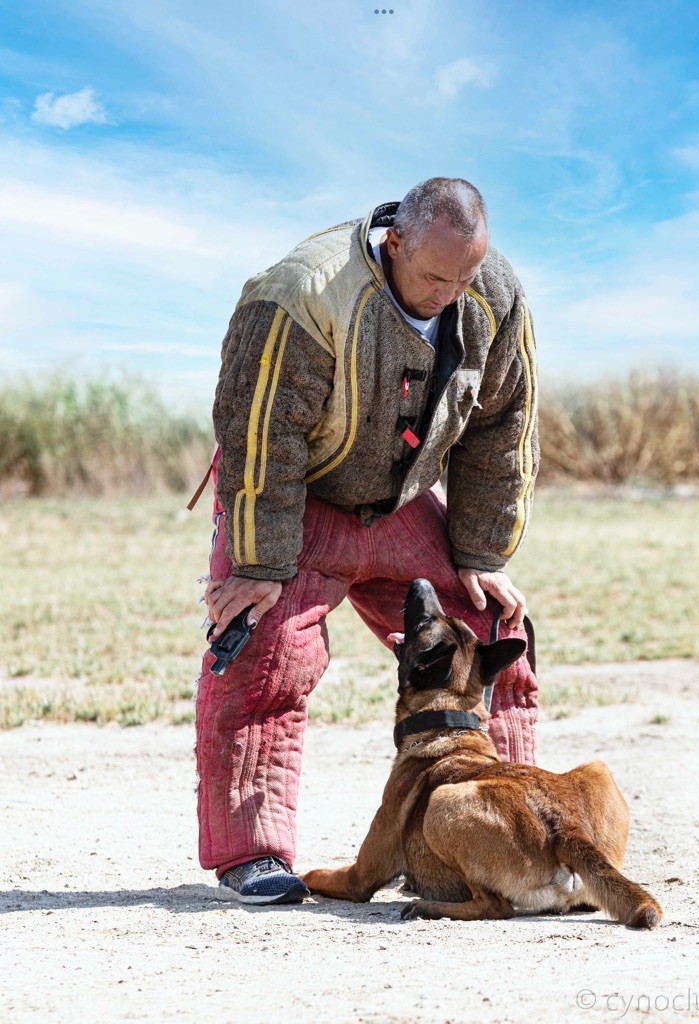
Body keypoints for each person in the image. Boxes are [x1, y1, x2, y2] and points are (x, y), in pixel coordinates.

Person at [197, 177, 540, 905]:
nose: (451, 293)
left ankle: (506, 829)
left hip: (399, 500)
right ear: (395, 243)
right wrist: (258, 562)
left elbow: (500, 427)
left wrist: (481, 553)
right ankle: (252, 855)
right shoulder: (301, 291)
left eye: (466, 277)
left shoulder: (494, 297)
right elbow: (263, 434)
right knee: (264, 650)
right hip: (298, 497)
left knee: (488, 631)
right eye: (435, 277)